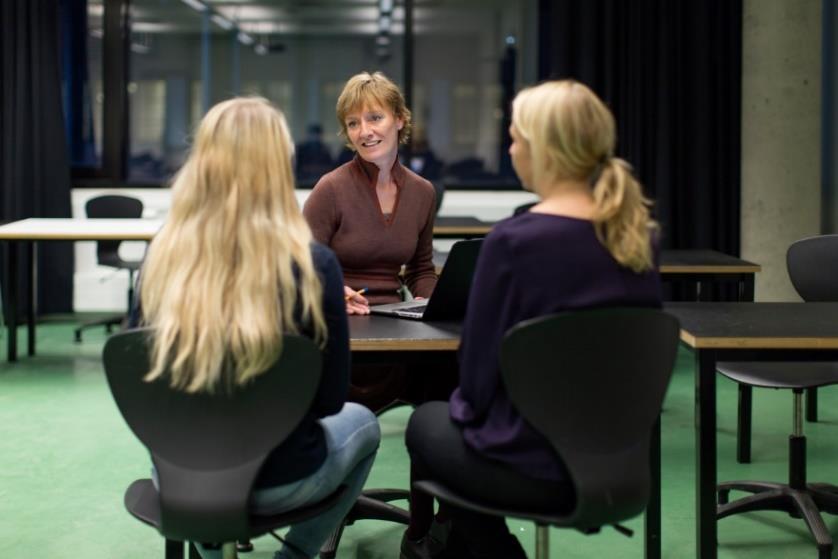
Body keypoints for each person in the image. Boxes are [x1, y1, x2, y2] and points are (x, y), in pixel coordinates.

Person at [402, 80, 663, 559]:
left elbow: (476, 380)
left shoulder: (514, 243)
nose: (510, 147)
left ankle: (486, 551)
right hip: (620, 458)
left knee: (427, 422)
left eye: (516, 137)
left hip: (531, 463)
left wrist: (467, 417)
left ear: (545, 150)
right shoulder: (637, 237)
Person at [127, 97, 380, 559]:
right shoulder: (313, 266)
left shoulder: (161, 258)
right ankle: (297, 556)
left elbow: (139, 373)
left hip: (180, 478)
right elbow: (329, 400)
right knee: (364, 424)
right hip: (285, 480)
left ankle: (210, 550)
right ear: (278, 169)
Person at [303, 71, 437, 315]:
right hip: (341, 315)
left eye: (375, 118)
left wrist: (435, 302)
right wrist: (334, 292)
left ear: (399, 119)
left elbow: (420, 269)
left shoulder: (422, 192)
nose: (364, 131)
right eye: (353, 123)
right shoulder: (330, 188)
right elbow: (302, 267)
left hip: (396, 317)